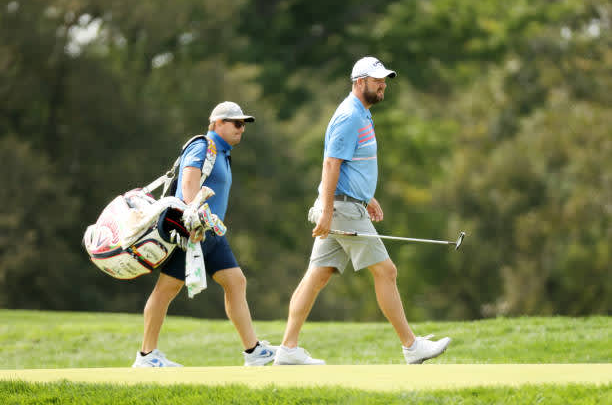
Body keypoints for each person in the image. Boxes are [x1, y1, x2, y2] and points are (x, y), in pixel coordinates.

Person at [273, 57, 451, 366]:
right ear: (359, 82)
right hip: (341, 208)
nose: (383, 84)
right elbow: (331, 163)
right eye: (377, 79)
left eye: (384, 79)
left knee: (317, 275)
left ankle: (287, 349)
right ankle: (411, 346)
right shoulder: (349, 116)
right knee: (386, 271)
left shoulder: (362, 114)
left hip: (348, 203)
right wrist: (328, 210)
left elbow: (351, 163)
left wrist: (367, 196)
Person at [133, 101, 277, 367]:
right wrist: (192, 219)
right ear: (216, 124)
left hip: (211, 233)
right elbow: (188, 182)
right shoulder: (203, 146)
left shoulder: (222, 153)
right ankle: (146, 355)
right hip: (190, 231)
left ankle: (253, 351)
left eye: (243, 124)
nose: (241, 129)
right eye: (236, 123)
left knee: (236, 282)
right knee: (167, 288)